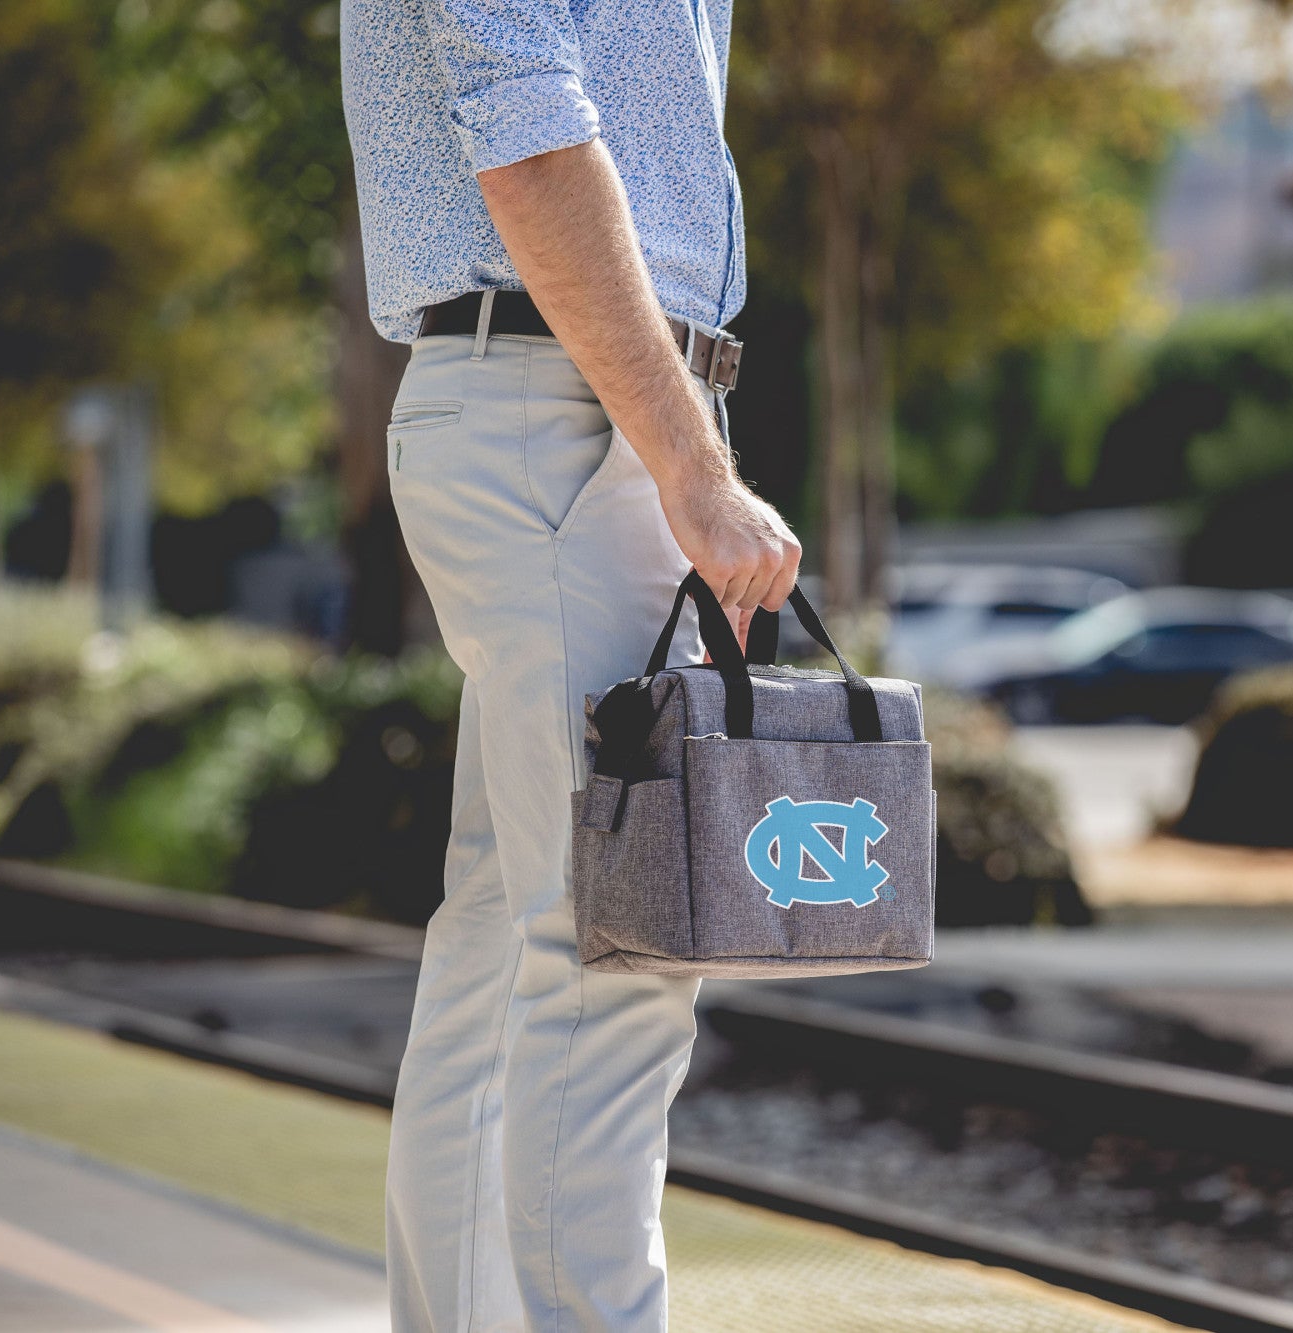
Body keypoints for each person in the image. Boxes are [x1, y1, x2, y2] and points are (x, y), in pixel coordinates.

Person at [340, 0, 799, 1326]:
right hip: (570, 416)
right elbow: (529, 134)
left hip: (563, 402)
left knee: (506, 939)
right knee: (620, 948)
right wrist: (692, 470)